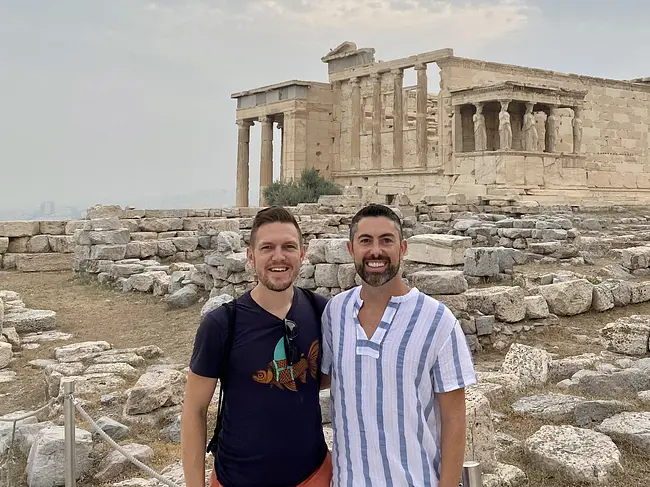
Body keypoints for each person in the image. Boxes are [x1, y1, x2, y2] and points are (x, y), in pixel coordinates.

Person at [320, 204, 477, 487]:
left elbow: (454, 419)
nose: (375, 251)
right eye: (365, 241)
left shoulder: (439, 321)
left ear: (403, 248)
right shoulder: (335, 312)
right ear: (350, 249)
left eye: (386, 240)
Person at [181, 206, 332, 487]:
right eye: (267, 247)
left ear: (302, 253)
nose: (279, 256)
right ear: (251, 256)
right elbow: (194, 411)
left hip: (314, 475)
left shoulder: (322, 312)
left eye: (288, 246)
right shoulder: (221, 324)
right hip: (237, 479)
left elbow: (325, 377)